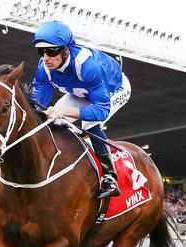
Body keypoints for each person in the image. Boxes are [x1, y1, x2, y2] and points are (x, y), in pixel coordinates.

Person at [30, 20, 131, 199]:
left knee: (90, 124)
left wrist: (63, 112)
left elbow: (101, 111)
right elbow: (37, 105)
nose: (46, 57)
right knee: (48, 123)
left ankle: (110, 177)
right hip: (80, 93)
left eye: (51, 51)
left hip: (114, 89)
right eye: (41, 51)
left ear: (66, 50)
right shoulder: (43, 68)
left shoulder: (88, 66)